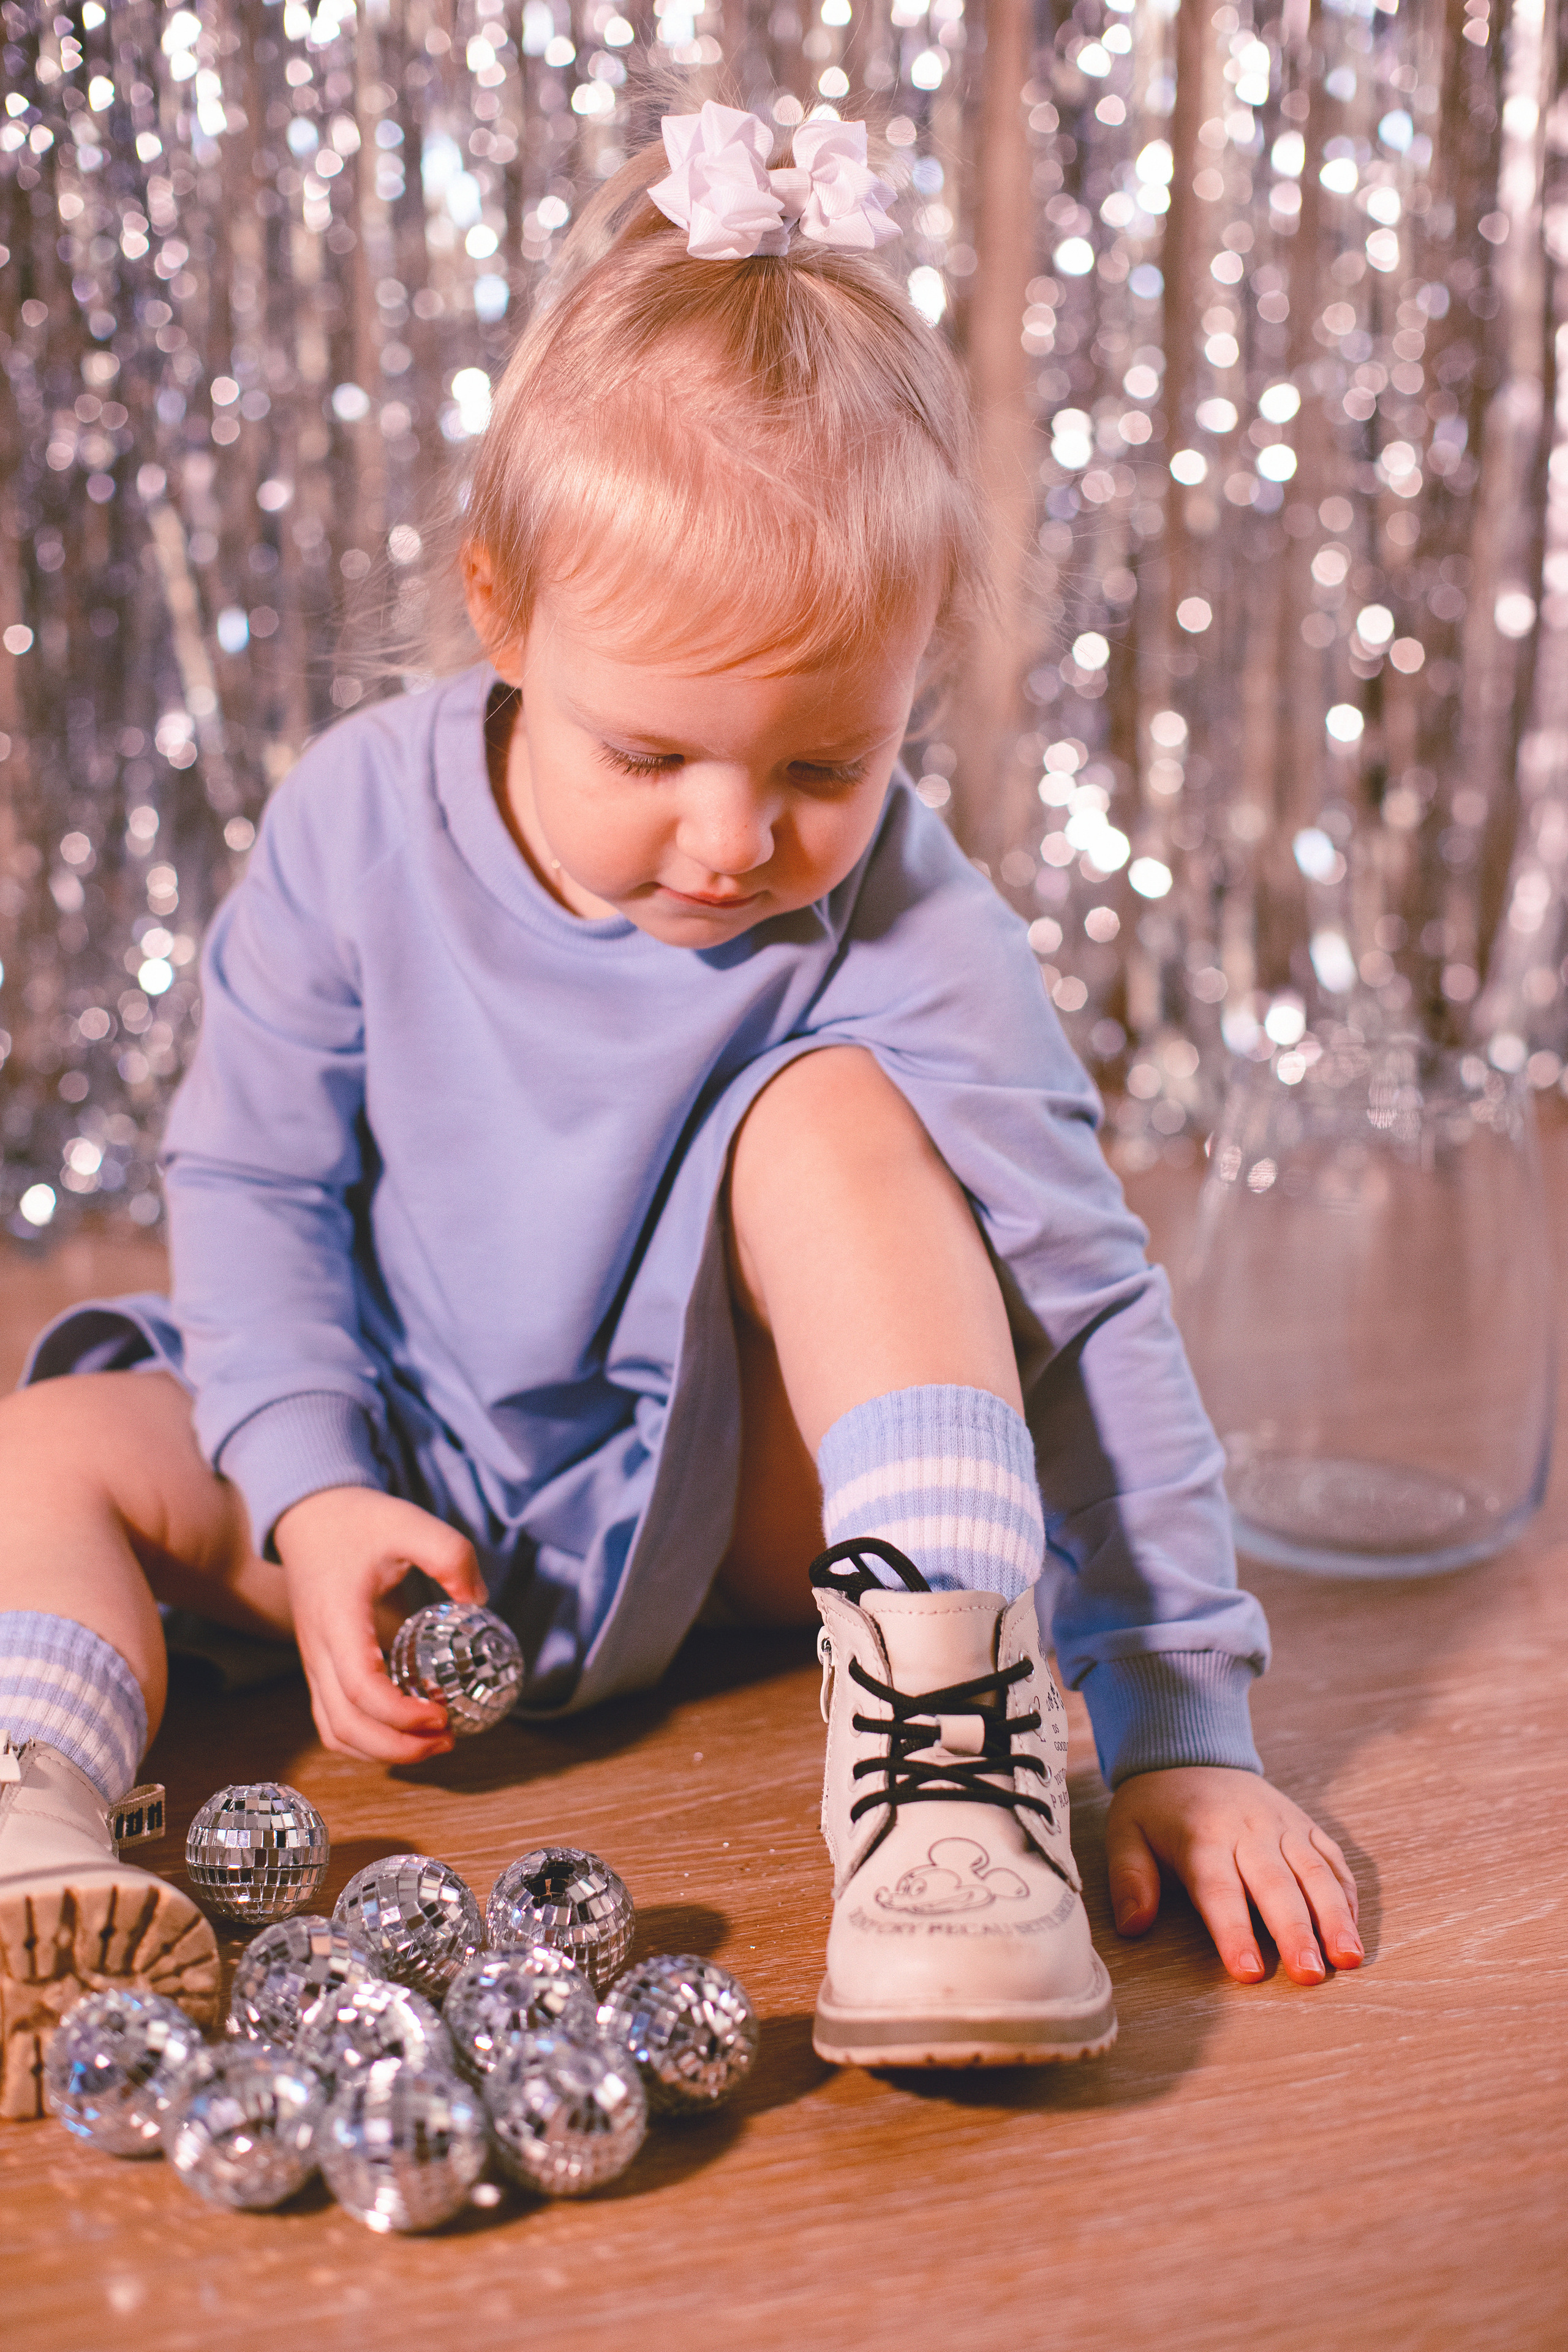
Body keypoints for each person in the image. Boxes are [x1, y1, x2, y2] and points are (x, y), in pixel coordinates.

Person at [0, 104, 1361, 2112]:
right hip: (401, 1461)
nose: (735, 841)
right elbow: (256, 1178)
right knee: (47, 1446)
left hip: (716, 1508)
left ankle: (948, 1788)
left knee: (832, 1117)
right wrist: (310, 1488)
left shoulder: (907, 918)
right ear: (502, 611)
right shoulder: (361, 823)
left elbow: (1084, 1306)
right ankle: (30, 1800)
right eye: (652, 751)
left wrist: (1181, 1730)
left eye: (827, 758)